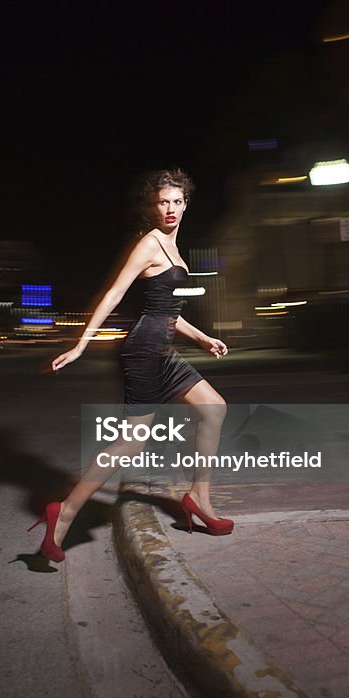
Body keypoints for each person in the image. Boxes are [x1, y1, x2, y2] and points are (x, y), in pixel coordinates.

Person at [30, 167, 233, 562]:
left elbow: (168, 311)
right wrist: (81, 344)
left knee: (214, 409)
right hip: (144, 350)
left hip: (163, 349)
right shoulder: (149, 244)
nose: (170, 209)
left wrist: (203, 338)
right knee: (131, 442)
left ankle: (198, 500)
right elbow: (113, 294)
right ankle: (64, 513)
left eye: (176, 201)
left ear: (186, 204)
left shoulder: (174, 247)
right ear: (151, 207)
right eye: (162, 202)